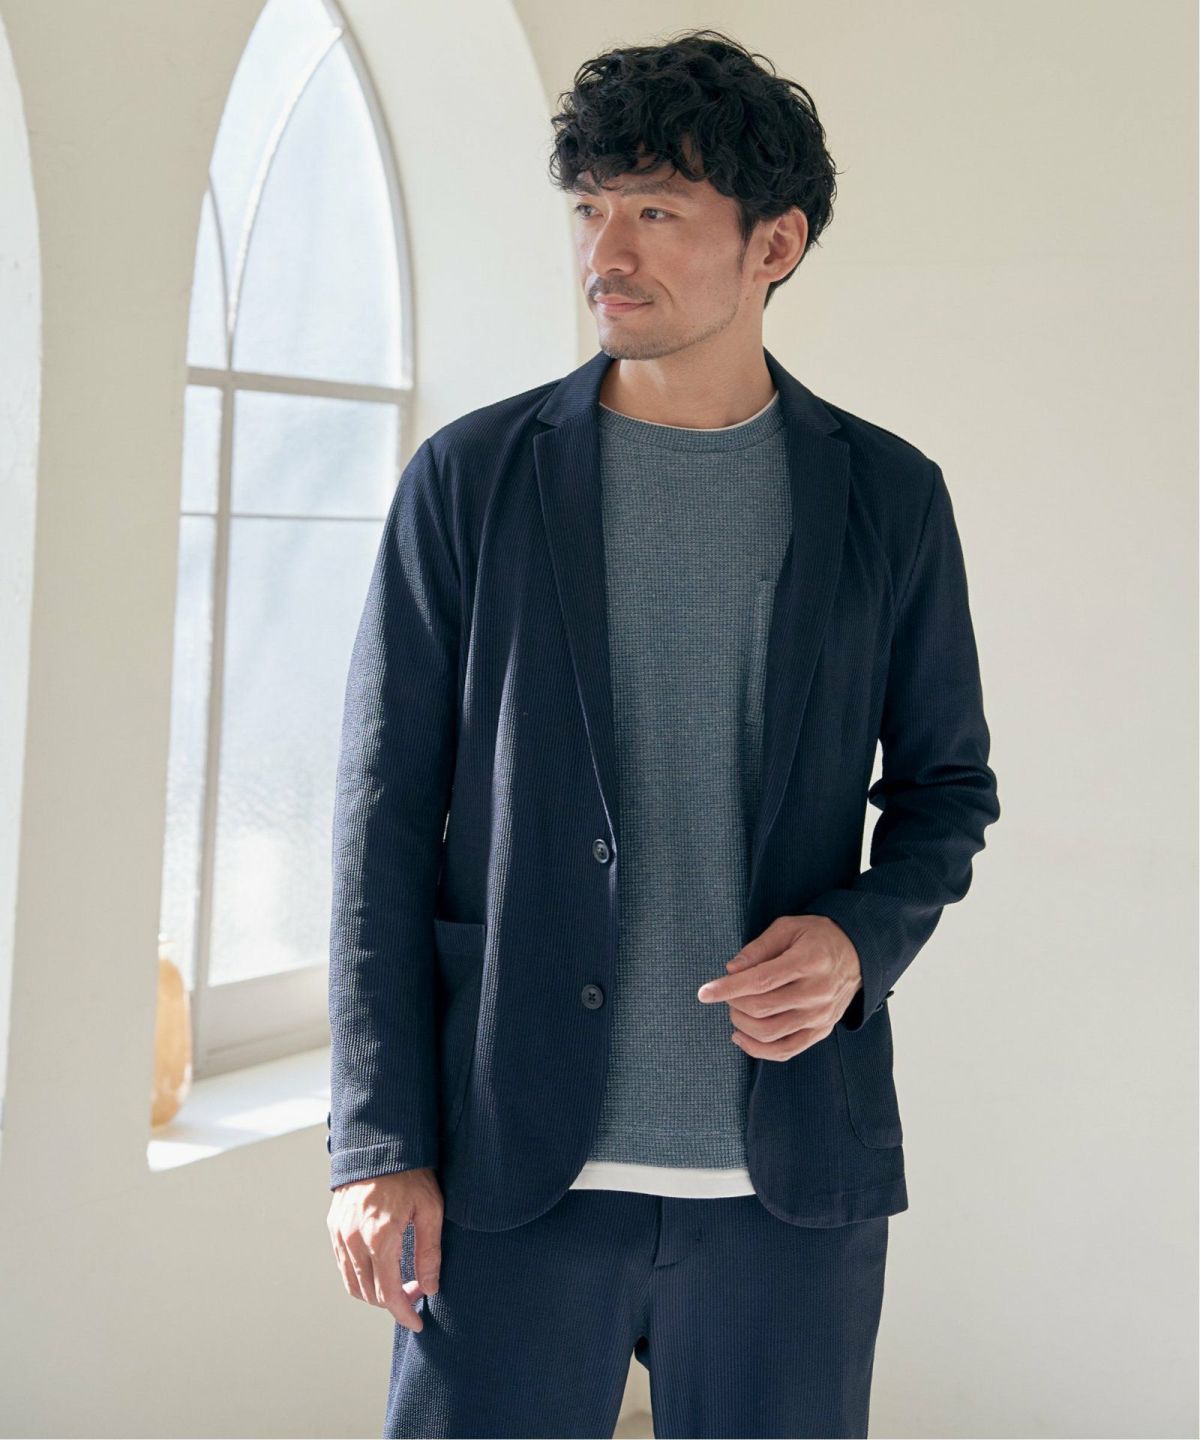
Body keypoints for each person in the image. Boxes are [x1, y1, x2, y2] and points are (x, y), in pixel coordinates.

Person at [326, 28, 1000, 1440]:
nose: (606, 252)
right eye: (590, 207)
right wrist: (377, 1141)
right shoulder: (471, 481)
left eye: (656, 210)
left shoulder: (889, 498)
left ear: (775, 245)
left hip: (788, 1182)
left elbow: (947, 790)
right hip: (510, 1169)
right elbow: (380, 823)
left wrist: (856, 944)